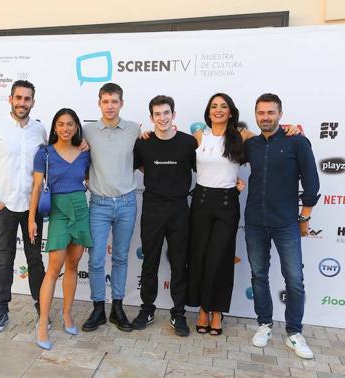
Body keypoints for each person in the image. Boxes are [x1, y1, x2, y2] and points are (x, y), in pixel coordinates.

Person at [186, 94, 300, 336]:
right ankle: (203, 310)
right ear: (208, 111)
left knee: (220, 259)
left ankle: (217, 311)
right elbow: (172, 150)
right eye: (214, 106)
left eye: (223, 106)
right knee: (201, 257)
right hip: (201, 203)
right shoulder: (198, 137)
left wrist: (289, 129)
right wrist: (145, 135)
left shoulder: (242, 136)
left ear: (230, 111)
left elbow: (267, 142)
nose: (218, 110)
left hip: (228, 204)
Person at [245, 93, 320, 359]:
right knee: (259, 276)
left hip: (286, 222)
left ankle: (294, 333)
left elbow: (311, 184)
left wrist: (304, 217)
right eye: (261, 113)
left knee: (295, 281)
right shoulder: (251, 144)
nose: (266, 117)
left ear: (280, 114)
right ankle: (264, 325)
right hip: (254, 221)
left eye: (270, 112)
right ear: (255, 115)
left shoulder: (297, 142)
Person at [0, 80, 47, 332]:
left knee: (35, 260)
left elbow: (48, 164)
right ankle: (1, 311)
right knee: (5, 260)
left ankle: (42, 309)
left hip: (32, 207)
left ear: (32, 102)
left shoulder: (40, 130)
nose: (22, 103)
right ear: (10, 99)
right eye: (18, 98)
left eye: (27, 99)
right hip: (5, 206)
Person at [132, 95, 196, 337]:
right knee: (150, 261)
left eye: (166, 112)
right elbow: (139, 165)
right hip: (153, 207)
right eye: (157, 114)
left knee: (180, 263)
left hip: (180, 208)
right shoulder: (143, 144)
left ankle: (178, 312)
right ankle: (147, 309)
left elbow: (203, 167)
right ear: (151, 118)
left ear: (174, 114)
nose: (162, 118)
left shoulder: (188, 143)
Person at [28, 108, 92, 350]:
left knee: (73, 265)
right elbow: (36, 188)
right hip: (57, 211)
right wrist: (31, 218)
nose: (66, 128)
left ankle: (67, 314)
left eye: (71, 124)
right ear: (54, 127)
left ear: (77, 127)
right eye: (61, 124)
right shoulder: (44, 153)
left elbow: (87, 179)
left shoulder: (85, 153)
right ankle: (43, 323)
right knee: (53, 269)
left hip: (80, 209)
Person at [82, 83, 142, 332]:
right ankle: (98, 309)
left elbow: (145, 156)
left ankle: (117, 307)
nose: (110, 106)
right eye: (105, 101)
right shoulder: (87, 131)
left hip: (127, 202)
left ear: (121, 103)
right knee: (96, 259)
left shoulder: (134, 130)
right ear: (99, 103)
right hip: (99, 203)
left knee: (120, 258)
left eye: (114, 101)